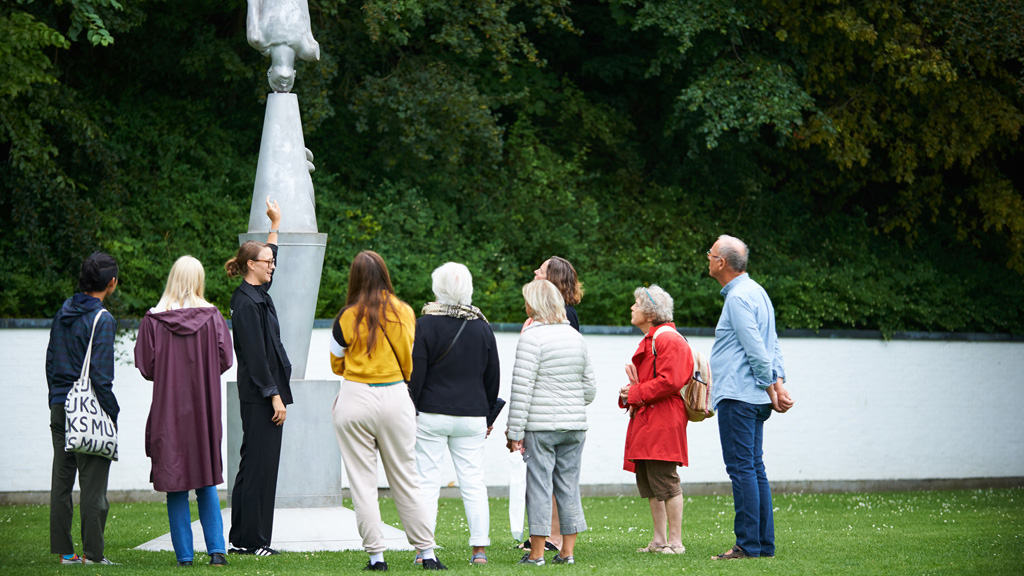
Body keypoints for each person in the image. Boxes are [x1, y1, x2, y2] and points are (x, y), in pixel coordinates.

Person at [330, 251, 447, 571]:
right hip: (395, 394)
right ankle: (427, 553)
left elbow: (336, 363)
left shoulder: (346, 316)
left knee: (362, 482)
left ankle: (376, 556)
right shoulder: (405, 312)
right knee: (406, 478)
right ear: (384, 274)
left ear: (354, 277)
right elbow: (408, 360)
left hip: (355, 397)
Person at [134, 255, 234, 567]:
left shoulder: (153, 320)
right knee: (206, 482)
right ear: (199, 280)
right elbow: (226, 359)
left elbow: (147, 367)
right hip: (203, 409)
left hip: (168, 411)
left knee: (175, 484)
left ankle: (185, 557)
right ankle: (217, 552)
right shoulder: (213, 317)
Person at [706, 235, 794, 560]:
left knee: (742, 469)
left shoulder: (739, 298)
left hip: (740, 396)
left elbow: (758, 349)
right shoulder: (758, 292)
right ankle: (762, 545)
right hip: (753, 397)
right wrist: (778, 383)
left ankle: (747, 545)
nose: (708, 258)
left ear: (722, 263)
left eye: (710, 254)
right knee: (754, 467)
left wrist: (773, 386)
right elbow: (773, 344)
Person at [410, 263, 500, 565]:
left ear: (438, 288)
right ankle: (479, 551)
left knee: (426, 481)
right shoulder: (482, 327)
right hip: (472, 414)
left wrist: (413, 409)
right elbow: (493, 377)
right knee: (474, 481)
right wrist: (487, 416)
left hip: (431, 413)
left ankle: (425, 552)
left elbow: (416, 374)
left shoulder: (424, 325)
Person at [506, 279, 596, 566]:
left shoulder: (531, 337)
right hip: (575, 427)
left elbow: (522, 390)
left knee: (539, 487)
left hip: (541, 428)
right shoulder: (575, 336)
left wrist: (515, 432)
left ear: (535, 304)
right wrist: (569, 404)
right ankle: (566, 553)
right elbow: (590, 389)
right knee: (569, 486)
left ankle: (536, 554)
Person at [224, 198, 292, 556]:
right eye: (267, 262)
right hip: (261, 396)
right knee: (257, 469)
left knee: (258, 466)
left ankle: (247, 539)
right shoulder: (246, 303)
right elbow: (254, 356)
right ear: (250, 265)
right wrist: (274, 395)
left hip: (265, 394)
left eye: (272, 261)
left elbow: (270, 255)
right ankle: (252, 542)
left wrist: (275, 226)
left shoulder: (256, 294)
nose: (272, 266)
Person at [45, 251, 120, 565]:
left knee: (61, 482)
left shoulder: (64, 311)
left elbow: (50, 361)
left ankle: (65, 553)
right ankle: (93, 555)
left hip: (60, 407)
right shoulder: (102, 320)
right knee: (93, 486)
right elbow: (101, 378)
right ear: (111, 283)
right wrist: (112, 413)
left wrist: (55, 399)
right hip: (88, 410)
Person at [618, 285, 690, 555]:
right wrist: (629, 393)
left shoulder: (668, 339)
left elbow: (671, 380)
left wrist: (635, 392)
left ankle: (676, 542)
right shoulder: (655, 339)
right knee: (649, 481)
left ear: (650, 312)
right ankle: (659, 541)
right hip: (650, 417)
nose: (632, 308)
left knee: (666, 480)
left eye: (636, 304)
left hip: (662, 418)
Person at [522, 255, 583, 552]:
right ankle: (547, 536)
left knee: (554, 481)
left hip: (551, 416)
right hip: (556, 414)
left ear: (553, 279)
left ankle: (554, 536)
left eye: (542, 269)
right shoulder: (543, 317)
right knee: (553, 479)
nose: (536, 271)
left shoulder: (565, 318)